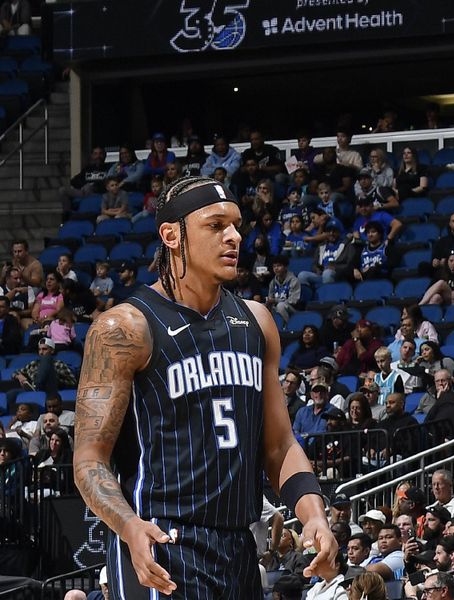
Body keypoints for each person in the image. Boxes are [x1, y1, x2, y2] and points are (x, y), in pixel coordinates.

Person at [72, 175, 336, 598]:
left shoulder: (257, 321)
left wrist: (313, 515)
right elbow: (89, 458)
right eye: (216, 226)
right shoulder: (124, 328)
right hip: (160, 542)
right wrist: (127, 525)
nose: (233, 237)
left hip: (238, 547)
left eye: (236, 226)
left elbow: (280, 446)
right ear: (171, 235)